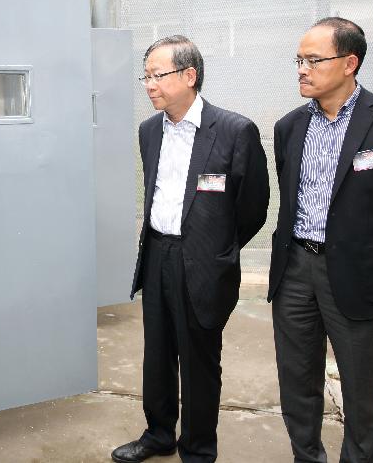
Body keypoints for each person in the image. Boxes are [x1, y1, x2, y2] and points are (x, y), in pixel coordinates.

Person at [269, 17, 373, 462]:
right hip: (295, 272)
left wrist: (371, 257)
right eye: (298, 60)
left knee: (362, 393)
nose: (302, 69)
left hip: (358, 276)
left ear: (349, 63)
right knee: (297, 385)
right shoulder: (288, 128)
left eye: (313, 60)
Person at [111, 35, 269, 463]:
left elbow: (254, 206)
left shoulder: (234, 131)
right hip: (158, 254)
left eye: (158, 75)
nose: (149, 85)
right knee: (157, 354)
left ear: (189, 76)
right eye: (145, 76)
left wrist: (217, 248)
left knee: (200, 361)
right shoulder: (149, 131)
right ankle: (158, 435)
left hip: (203, 262)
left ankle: (198, 449)